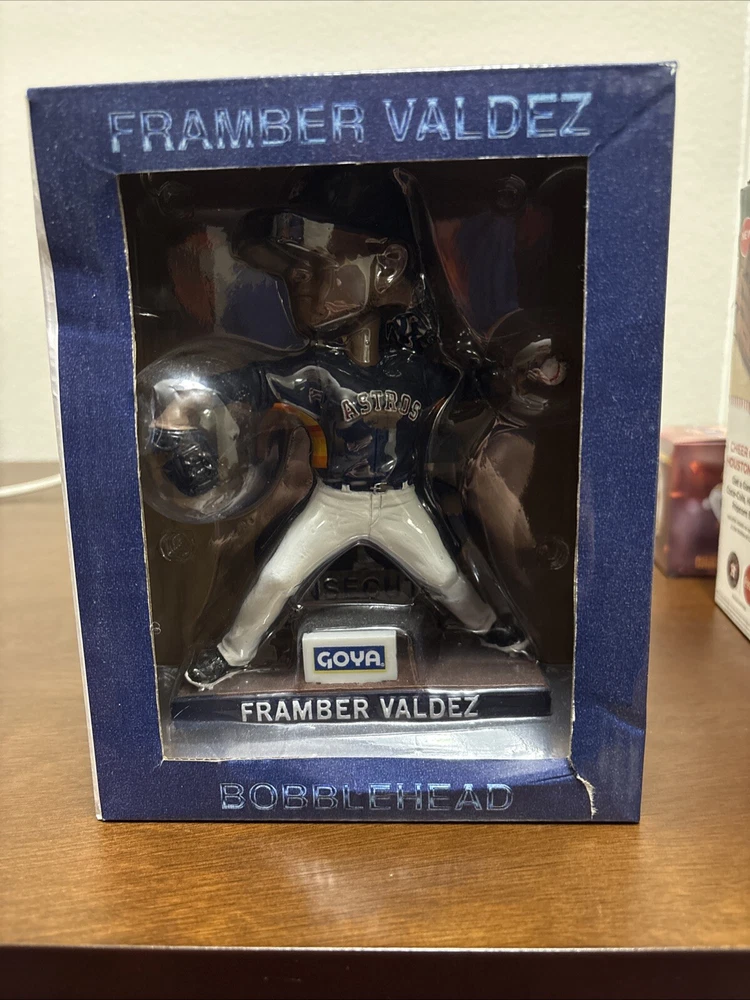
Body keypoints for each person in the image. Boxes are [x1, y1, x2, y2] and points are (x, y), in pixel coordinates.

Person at [152, 165, 524, 688]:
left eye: (310, 266)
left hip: (400, 500)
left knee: (446, 576)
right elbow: (242, 383)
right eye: (292, 273)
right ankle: (232, 654)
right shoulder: (314, 372)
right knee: (276, 576)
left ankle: (490, 629)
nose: (296, 282)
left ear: (388, 265)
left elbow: (482, 386)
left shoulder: (420, 372)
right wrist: (181, 406)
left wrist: (523, 372)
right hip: (333, 503)